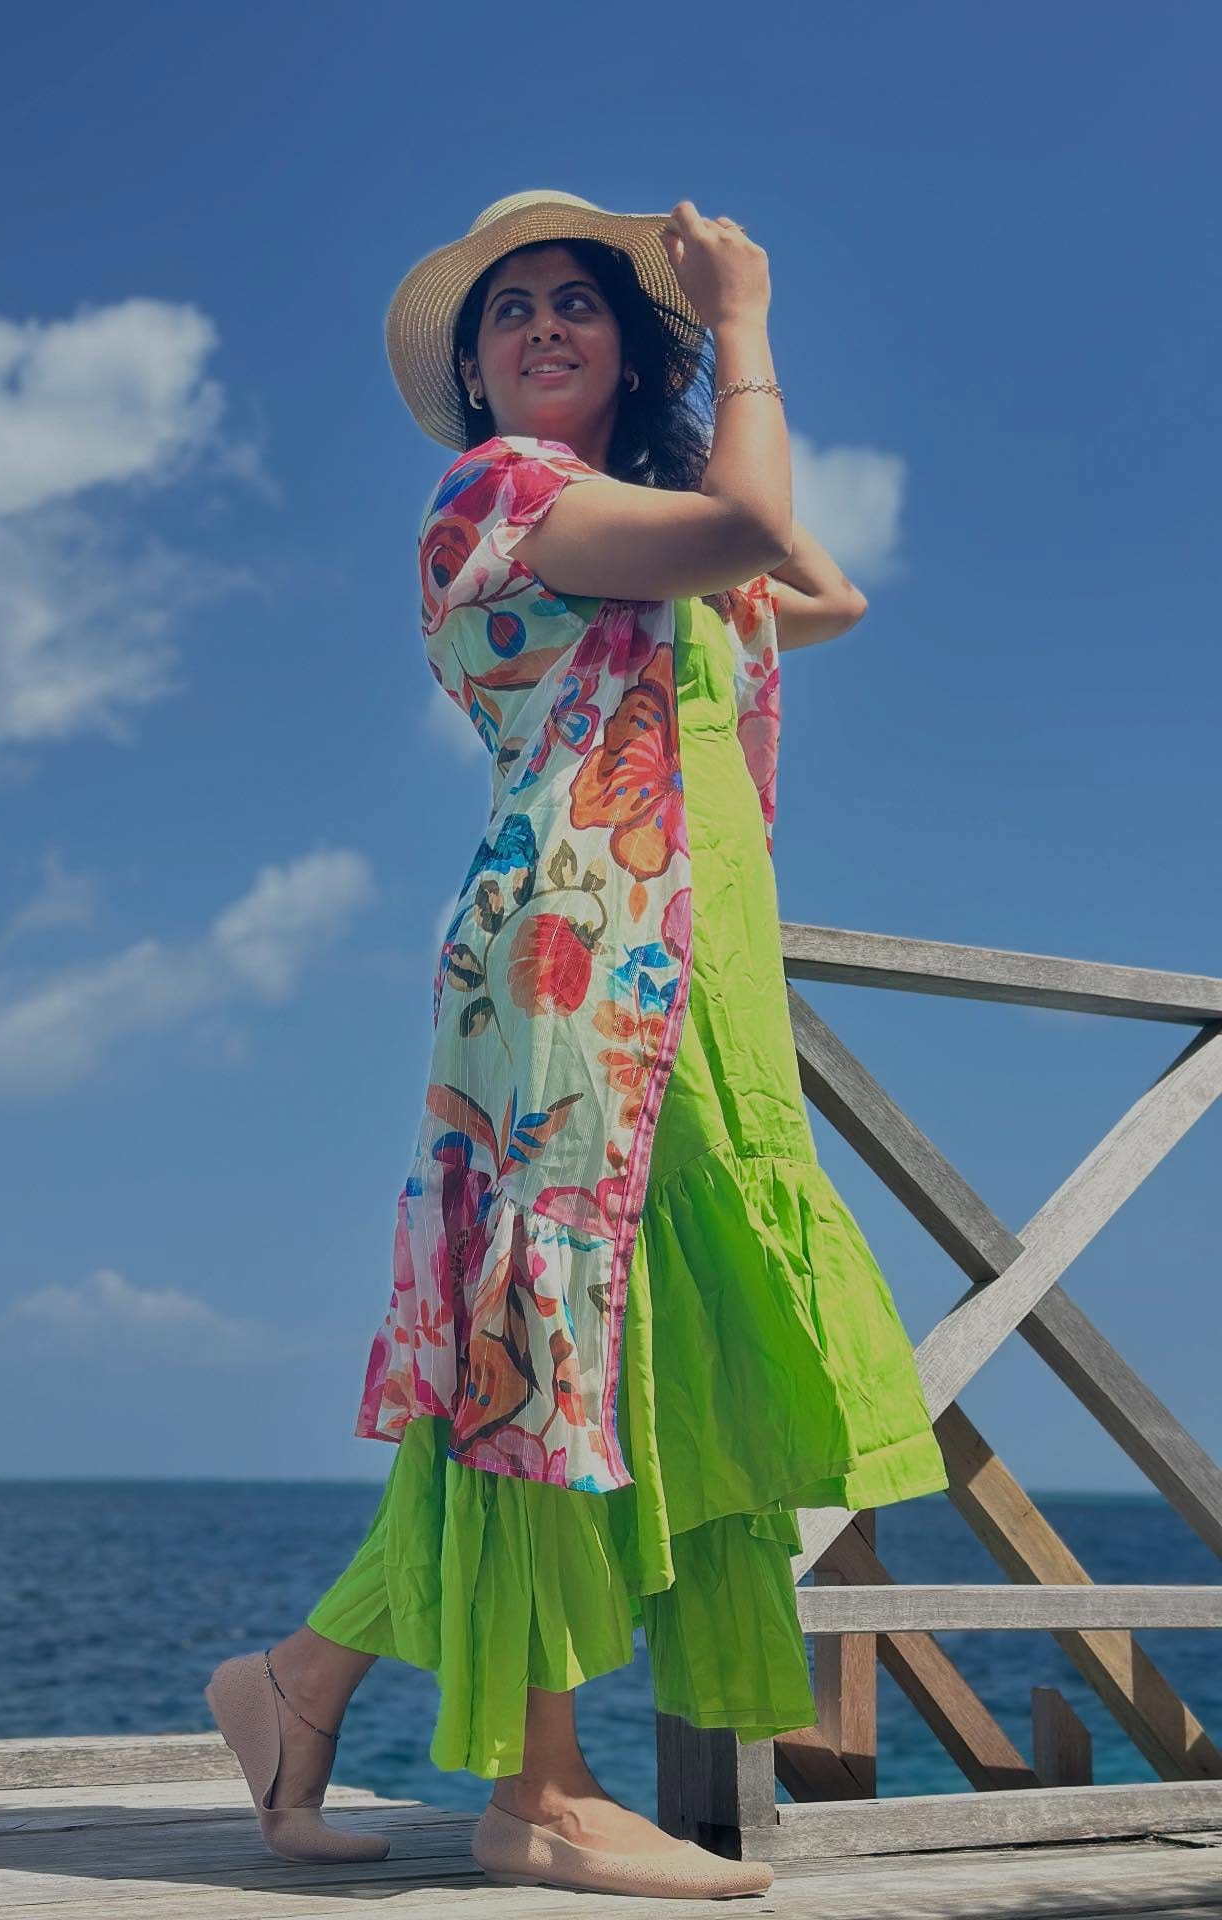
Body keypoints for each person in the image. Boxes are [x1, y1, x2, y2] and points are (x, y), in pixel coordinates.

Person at [206, 191, 949, 1901]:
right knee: (558, 1337)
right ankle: (537, 1793)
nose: (544, 325)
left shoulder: (648, 538)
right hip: (575, 964)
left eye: (582, 306)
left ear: (632, 352)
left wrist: (701, 411)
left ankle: (297, 1684)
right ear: (471, 374)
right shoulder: (507, 498)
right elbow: (764, 528)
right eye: (510, 312)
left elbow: (816, 589)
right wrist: (745, 328)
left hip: (701, 973)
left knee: (629, 1343)